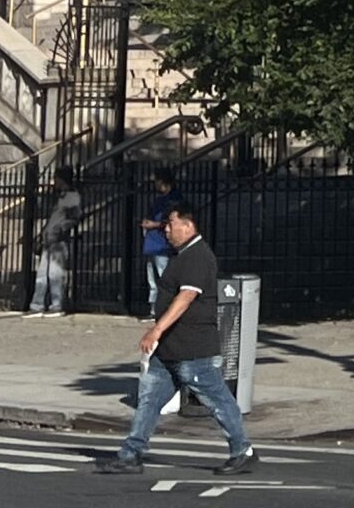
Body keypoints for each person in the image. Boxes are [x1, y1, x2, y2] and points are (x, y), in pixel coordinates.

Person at [98, 201, 257, 478]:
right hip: (169, 351)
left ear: (188, 225)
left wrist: (156, 330)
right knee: (148, 401)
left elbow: (186, 298)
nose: (166, 230)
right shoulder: (182, 255)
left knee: (218, 401)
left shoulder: (198, 256)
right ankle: (131, 454)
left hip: (193, 350)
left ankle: (242, 451)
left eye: (171, 224)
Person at [28, 169, 81, 317]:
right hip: (49, 239)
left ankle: (56, 304)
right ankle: (37, 304)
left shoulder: (71, 197)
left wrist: (60, 229)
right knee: (42, 273)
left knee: (55, 274)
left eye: (56, 179)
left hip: (59, 240)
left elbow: (74, 218)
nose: (54, 182)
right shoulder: (59, 197)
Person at [140, 170, 178, 315]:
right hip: (153, 244)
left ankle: (165, 308)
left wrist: (153, 224)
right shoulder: (160, 199)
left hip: (161, 244)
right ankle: (154, 308)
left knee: (163, 277)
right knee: (153, 278)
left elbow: (171, 220)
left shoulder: (173, 200)